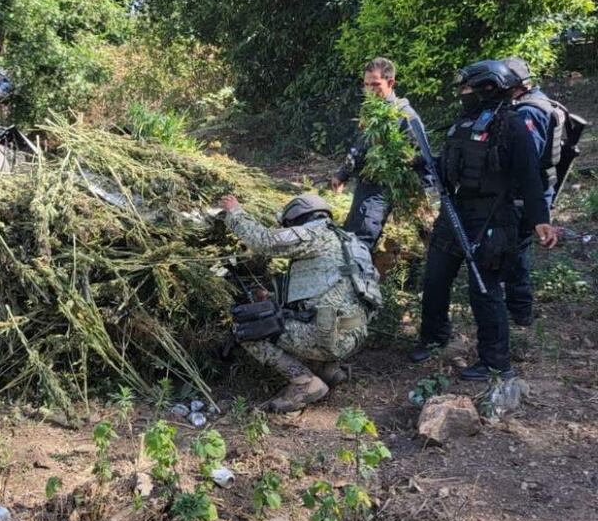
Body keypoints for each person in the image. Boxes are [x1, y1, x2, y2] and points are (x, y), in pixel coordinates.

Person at [409, 61, 558, 380]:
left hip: (492, 217)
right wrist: (426, 164)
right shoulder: (461, 124)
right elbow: (452, 168)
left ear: (486, 88)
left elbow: (530, 177)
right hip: (454, 212)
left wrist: (539, 219)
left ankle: (495, 362)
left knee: (484, 288)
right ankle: (433, 338)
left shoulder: (514, 125)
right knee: (435, 278)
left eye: (466, 89)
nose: (461, 94)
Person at [220, 193, 382, 412]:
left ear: (296, 217)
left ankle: (305, 383)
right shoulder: (347, 241)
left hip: (328, 336)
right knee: (282, 316)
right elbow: (322, 289)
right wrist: (270, 298)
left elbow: (264, 241)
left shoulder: (313, 234)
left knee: (248, 329)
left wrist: (235, 212)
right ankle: (328, 370)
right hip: (353, 332)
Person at [331, 57, 428, 249]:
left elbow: (423, 157)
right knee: (351, 235)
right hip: (365, 186)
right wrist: (343, 174)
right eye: (366, 85)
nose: (370, 90)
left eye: (375, 85)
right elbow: (359, 146)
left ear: (390, 82)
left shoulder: (404, 115)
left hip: (385, 189)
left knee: (361, 240)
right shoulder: (371, 111)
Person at [502, 57, 560, 327]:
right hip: (534, 191)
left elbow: (526, 161)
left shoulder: (528, 112)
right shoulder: (537, 101)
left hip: (528, 195)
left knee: (515, 254)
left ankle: (520, 314)